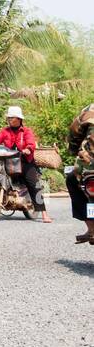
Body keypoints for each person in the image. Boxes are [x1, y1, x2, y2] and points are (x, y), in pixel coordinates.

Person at [0, 105, 51, 223]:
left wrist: (28, 149)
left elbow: (31, 143)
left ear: (18, 119)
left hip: (25, 162)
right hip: (9, 162)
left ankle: (44, 214)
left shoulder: (26, 131)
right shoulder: (5, 131)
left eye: (12, 118)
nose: (9, 120)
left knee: (34, 185)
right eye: (9, 118)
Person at [66, 103, 94, 244]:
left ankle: (91, 227)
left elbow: (74, 133)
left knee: (73, 180)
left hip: (90, 165)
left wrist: (73, 149)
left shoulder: (90, 110)